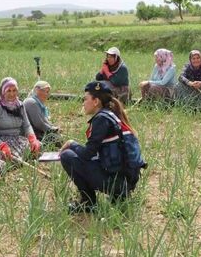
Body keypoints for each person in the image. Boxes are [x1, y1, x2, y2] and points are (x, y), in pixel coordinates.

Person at [59, 81, 146, 213]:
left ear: (96, 101)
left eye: (85, 99)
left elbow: (88, 153)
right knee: (75, 153)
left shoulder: (101, 119)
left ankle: (88, 203)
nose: (83, 103)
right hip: (125, 179)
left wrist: (71, 143)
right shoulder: (110, 114)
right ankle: (117, 196)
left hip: (119, 182)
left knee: (67, 156)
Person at [0, 77, 42, 161]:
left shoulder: (20, 105)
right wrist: (1, 145)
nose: (12, 94)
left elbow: (27, 125)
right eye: (9, 91)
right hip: (0, 140)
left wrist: (33, 139)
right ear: (3, 92)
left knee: (38, 146)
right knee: (13, 157)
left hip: (16, 139)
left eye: (14, 90)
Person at [23, 81, 62, 146]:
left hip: (37, 132)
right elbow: (39, 123)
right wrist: (52, 129)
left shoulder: (38, 103)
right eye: (46, 92)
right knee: (55, 139)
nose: (48, 94)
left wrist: (53, 127)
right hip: (32, 134)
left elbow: (44, 120)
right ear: (38, 91)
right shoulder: (31, 102)